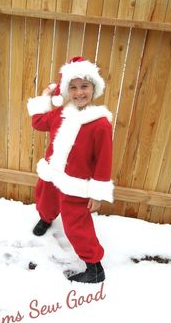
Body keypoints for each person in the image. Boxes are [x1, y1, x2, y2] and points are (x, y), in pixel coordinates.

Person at [27, 56, 114, 283]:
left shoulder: (100, 124)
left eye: (84, 86)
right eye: (73, 87)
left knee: (76, 225)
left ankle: (94, 267)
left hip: (76, 185)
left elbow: (104, 161)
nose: (78, 93)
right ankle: (46, 219)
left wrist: (97, 193)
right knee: (44, 201)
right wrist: (46, 97)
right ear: (66, 90)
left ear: (93, 88)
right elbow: (37, 122)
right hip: (51, 174)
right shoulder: (60, 113)